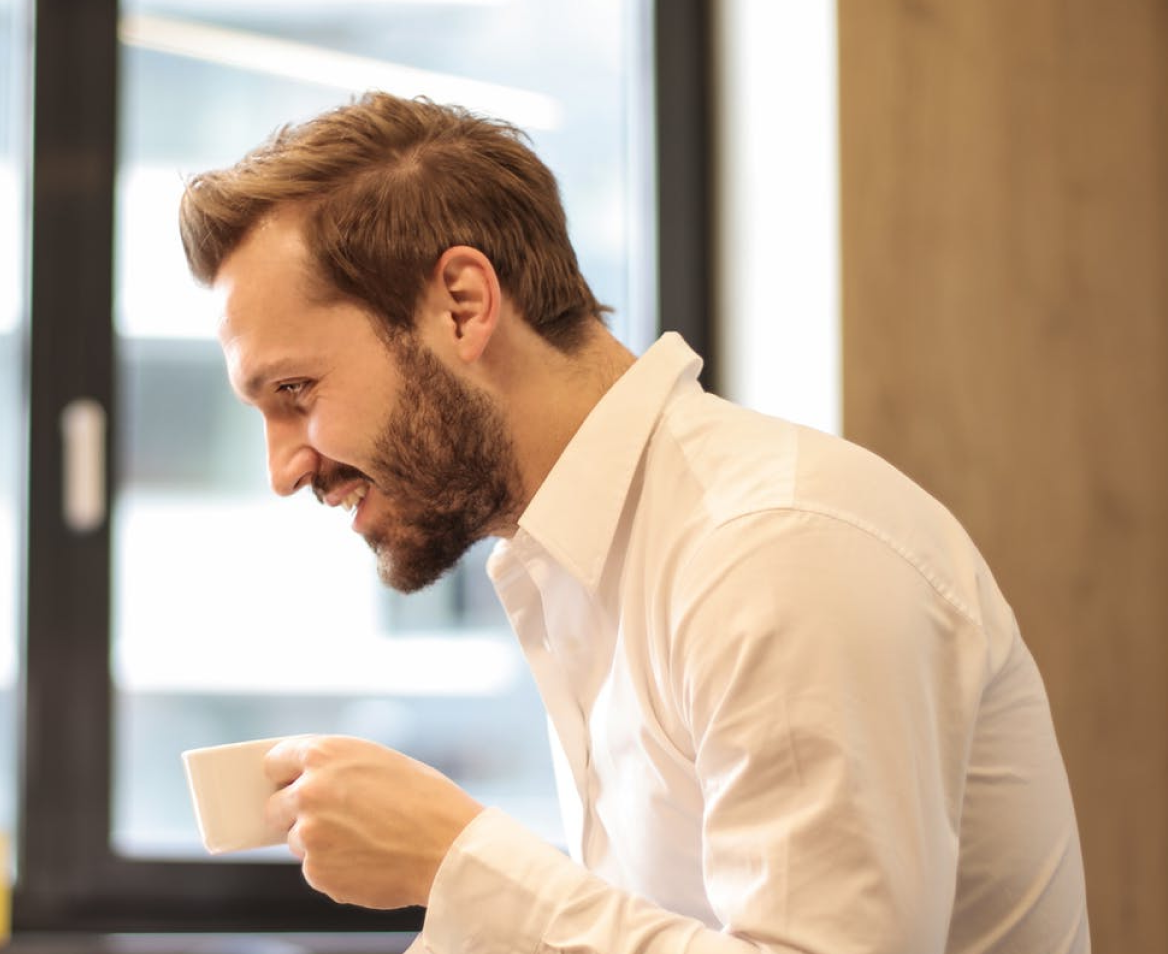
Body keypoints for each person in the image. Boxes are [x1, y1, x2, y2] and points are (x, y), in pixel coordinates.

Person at [177, 92, 1090, 953]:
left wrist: (457, 859)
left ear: (463, 305)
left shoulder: (773, 548)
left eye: (295, 391)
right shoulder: (579, 565)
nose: (282, 469)